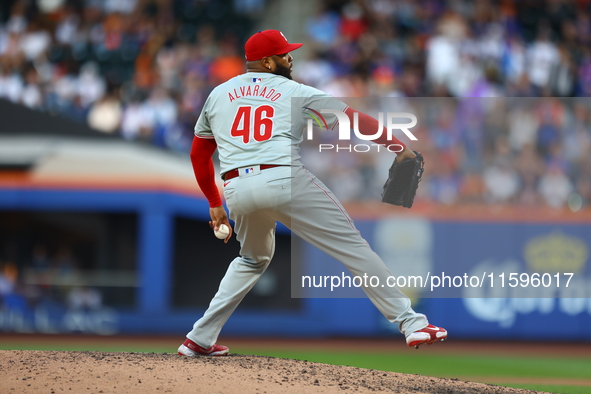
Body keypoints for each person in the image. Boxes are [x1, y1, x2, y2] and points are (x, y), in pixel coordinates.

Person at [178, 30, 447, 357]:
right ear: (267, 61)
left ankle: (198, 339)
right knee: (352, 247)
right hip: (282, 178)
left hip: (237, 188)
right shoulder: (294, 91)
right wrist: (398, 147)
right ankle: (411, 323)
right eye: (284, 53)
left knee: (251, 259)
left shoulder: (218, 94)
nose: (290, 58)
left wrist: (214, 204)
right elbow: (352, 120)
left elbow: (198, 154)